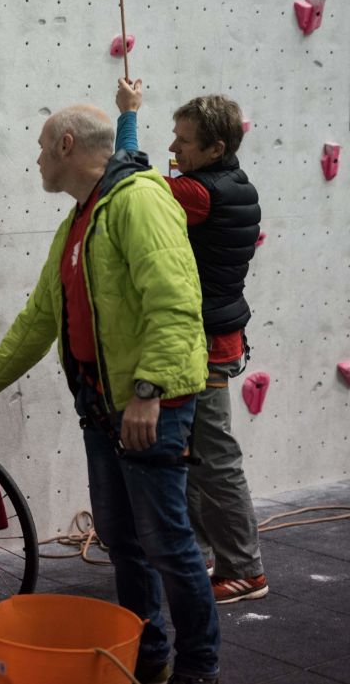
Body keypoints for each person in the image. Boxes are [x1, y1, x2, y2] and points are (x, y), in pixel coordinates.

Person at [0, 105, 220, 684]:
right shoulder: (79, 221)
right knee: (124, 542)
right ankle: (147, 660)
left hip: (149, 405)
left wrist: (148, 392)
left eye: (44, 147)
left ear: (67, 144)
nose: (38, 159)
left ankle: (199, 671)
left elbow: (173, 303)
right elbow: (39, 319)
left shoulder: (139, 201)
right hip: (103, 409)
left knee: (167, 544)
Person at [116, 78, 267, 606]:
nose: (173, 148)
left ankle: (244, 569)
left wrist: (127, 115)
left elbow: (128, 180)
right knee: (199, 456)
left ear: (216, 149)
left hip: (202, 346)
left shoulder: (198, 192)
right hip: (218, 338)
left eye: (183, 140)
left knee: (214, 459)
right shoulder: (235, 182)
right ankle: (207, 555)